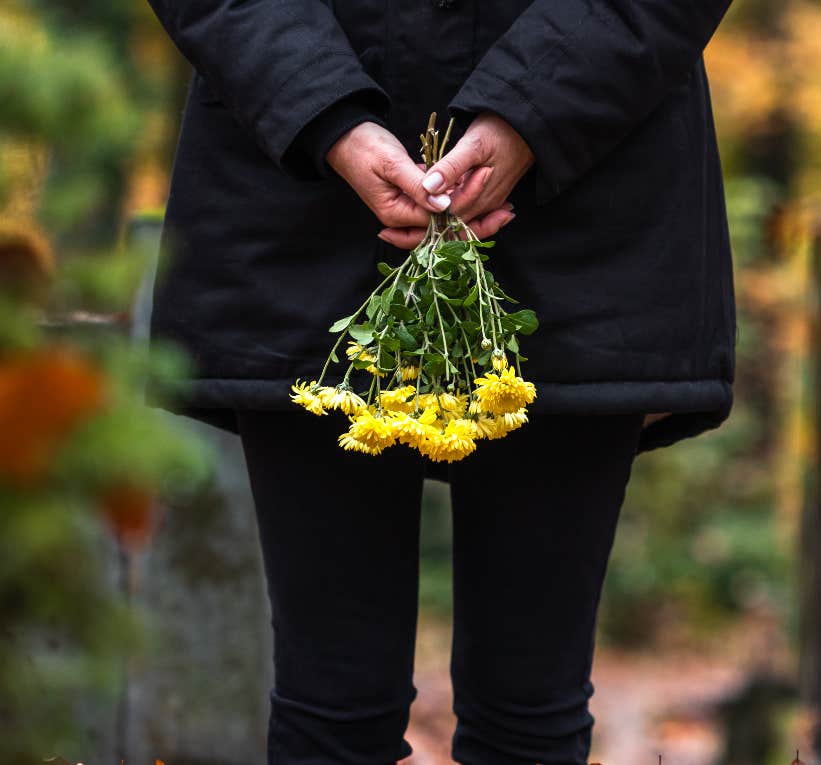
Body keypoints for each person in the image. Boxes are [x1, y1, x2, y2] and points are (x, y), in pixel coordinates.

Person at [144, 1, 737, 763]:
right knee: (333, 707)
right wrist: (327, 116)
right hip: (300, 199)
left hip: (588, 189)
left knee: (528, 711)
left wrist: (533, 112)